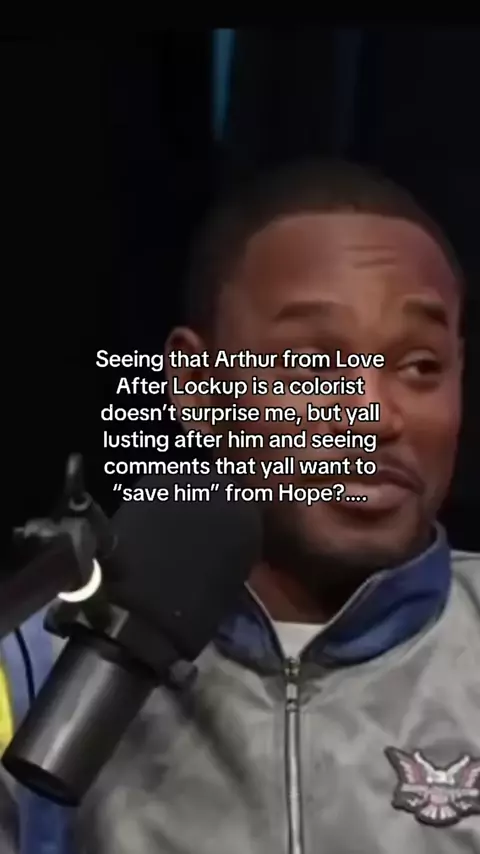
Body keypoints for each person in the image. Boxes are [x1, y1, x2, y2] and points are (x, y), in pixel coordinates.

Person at [2, 159, 480, 853]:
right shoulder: (32, 664)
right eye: (315, 366)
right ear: (197, 388)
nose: (377, 415)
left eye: (420, 367)